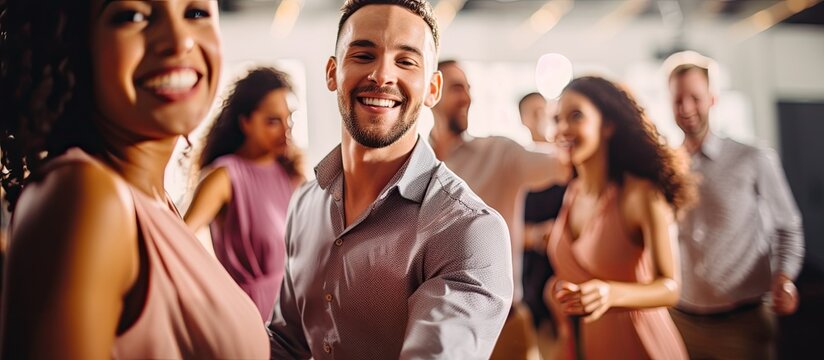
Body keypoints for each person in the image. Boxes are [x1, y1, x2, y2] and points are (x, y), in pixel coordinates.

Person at [0, 0, 269, 358]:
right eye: (132, 16)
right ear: (76, 43)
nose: (178, 41)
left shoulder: (154, 202)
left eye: (196, 13)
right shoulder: (86, 194)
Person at [267, 1, 513, 359]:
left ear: (432, 88)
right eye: (364, 55)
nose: (382, 76)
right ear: (332, 72)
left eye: (406, 61)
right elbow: (286, 344)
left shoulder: (469, 230)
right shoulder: (305, 202)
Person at [666, 52, 805, 359]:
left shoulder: (753, 157)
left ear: (712, 99)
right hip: (680, 320)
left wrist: (784, 278)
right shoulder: (667, 167)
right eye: (678, 99)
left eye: (695, 97)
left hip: (743, 323)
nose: (686, 108)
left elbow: (787, 226)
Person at [429, 61, 571, 360]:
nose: (467, 97)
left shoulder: (500, 154)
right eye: (457, 88)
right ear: (432, 90)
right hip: (436, 328)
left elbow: (565, 163)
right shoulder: (415, 163)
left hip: (502, 325)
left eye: (469, 89)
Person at [546, 76, 694, 360]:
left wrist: (610, 294)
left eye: (576, 116)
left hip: (642, 344)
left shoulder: (640, 195)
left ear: (608, 125)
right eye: (557, 119)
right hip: (592, 346)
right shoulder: (572, 192)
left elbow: (670, 288)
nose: (563, 128)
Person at [184, 67, 305, 321]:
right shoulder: (224, 176)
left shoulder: (291, 175)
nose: (286, 130)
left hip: (298, 316)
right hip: (250, 317)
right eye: (273, 121)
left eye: (290, 119)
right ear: (245, 122)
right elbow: (177, 241)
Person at [518, 92, 566, 359]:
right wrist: (536, 236)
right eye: (532, 111)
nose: (540, 117)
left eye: (543, 110)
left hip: (563, 269)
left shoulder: (567, 161)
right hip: (531, 272)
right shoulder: (518, 165)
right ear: (522, 119)